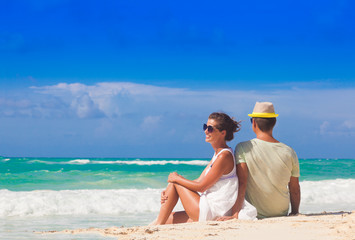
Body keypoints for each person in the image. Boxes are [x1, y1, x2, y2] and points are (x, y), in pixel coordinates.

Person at [153, 112, 256, 225]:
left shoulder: (224, 156)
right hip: (208, 209)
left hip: (211, 210)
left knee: (176, 183)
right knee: (169, 217)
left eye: (210, 129)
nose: (206, 131)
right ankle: (158, 224)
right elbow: (198, 181)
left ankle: (157, 226)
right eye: (205, 127)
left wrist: (176, 179)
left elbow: (201, 187)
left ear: (223, 133)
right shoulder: (218, 154)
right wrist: (169, 190)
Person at [218, 102, 301, 220]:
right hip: (281, 212)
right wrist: (294, 212)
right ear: (274, 123)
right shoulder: (289, 151)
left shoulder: (243, 148)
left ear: (254, 123)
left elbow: (242, 182)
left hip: (254, 213)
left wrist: (235, 214)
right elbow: (295, 188)